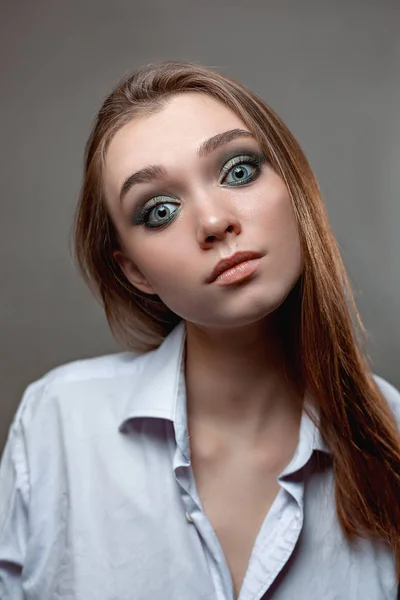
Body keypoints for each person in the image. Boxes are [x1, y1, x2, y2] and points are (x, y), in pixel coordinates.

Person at [0, 60, 399, 600]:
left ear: (295, 187)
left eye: (238, 171)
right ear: (133, 270)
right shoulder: (59, 424)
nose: (214, 222)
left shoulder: (394, 436)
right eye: (160, 210)